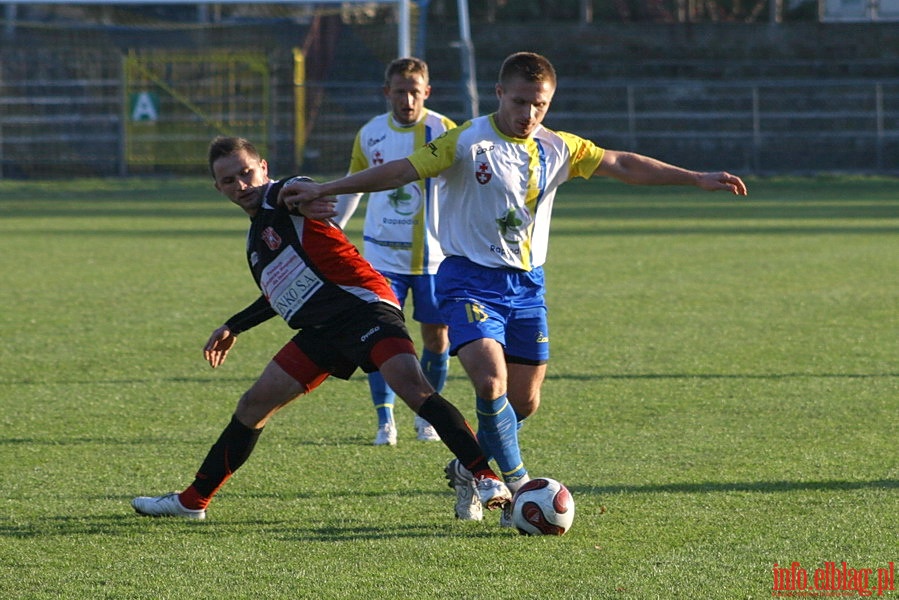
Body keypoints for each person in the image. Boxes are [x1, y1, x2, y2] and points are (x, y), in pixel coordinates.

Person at [278, 51, 748, 525]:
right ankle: (519, 488)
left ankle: (467, 466)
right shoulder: (465, 140)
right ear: (500, 93)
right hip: (466, 280)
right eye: (521, 101)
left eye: (539, 104)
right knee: (490, 381)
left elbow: (622, 163)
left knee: (524, 402)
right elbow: (401, 170)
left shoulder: (559, 147)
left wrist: (695, 178)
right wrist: (327, 189)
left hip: (527, 287)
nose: (529, 114)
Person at [131, 136, 511, 521]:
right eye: (229, 181)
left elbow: (295, 189)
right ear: (218, 188)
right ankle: (192, 501)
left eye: (246, 173)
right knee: (253, 405)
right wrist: (235, 325)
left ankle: (483, 475)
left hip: (365, 310)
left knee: (413, 389)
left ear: (263, 167)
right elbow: (283, 294)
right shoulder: (256, 245)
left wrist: (308, 195)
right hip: (322, 331)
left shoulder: (281, 195)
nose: (241, 185)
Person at [334, 57, 456, 447]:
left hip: (434, 258)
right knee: (381, 339)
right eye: (400, 91)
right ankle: (385, 420)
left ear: (427, 92)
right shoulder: (370, 134)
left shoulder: (443, 130)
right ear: (387, 92)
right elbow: (353, 185)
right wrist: (332, 227)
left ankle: (427, 417)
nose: (407, 99)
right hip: (383, 257)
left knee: (437, 339)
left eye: (415, 92)